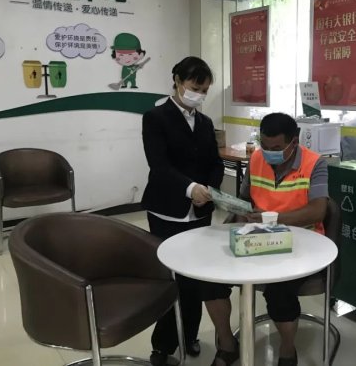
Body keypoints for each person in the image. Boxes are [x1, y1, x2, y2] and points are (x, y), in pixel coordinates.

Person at [201, 112, 329, 366]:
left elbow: (318, 211)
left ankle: (287, 350)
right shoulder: (256, 158)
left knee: (279, 293)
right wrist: (239, 218)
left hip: (301, 245)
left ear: (294, 142)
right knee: (210, 281)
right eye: (265, 145)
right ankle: (227, 345)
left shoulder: (315, 163)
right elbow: (245, 200)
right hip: (256, 239)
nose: (269, 152)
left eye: (277, 148)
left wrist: (274, 218)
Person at [141, 56, 224, 366]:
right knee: (171, 278)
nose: (199, 95)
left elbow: (215, 163)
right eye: (194, 87)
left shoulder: (204, 122)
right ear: (177, 81)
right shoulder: (155, 118)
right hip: (167, 209)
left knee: (195, 278)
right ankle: (162, 345)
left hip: (201, 210)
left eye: (204, 90)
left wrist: (210, 189)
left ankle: (189, 335)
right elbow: (159, 165)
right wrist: (190, 188)